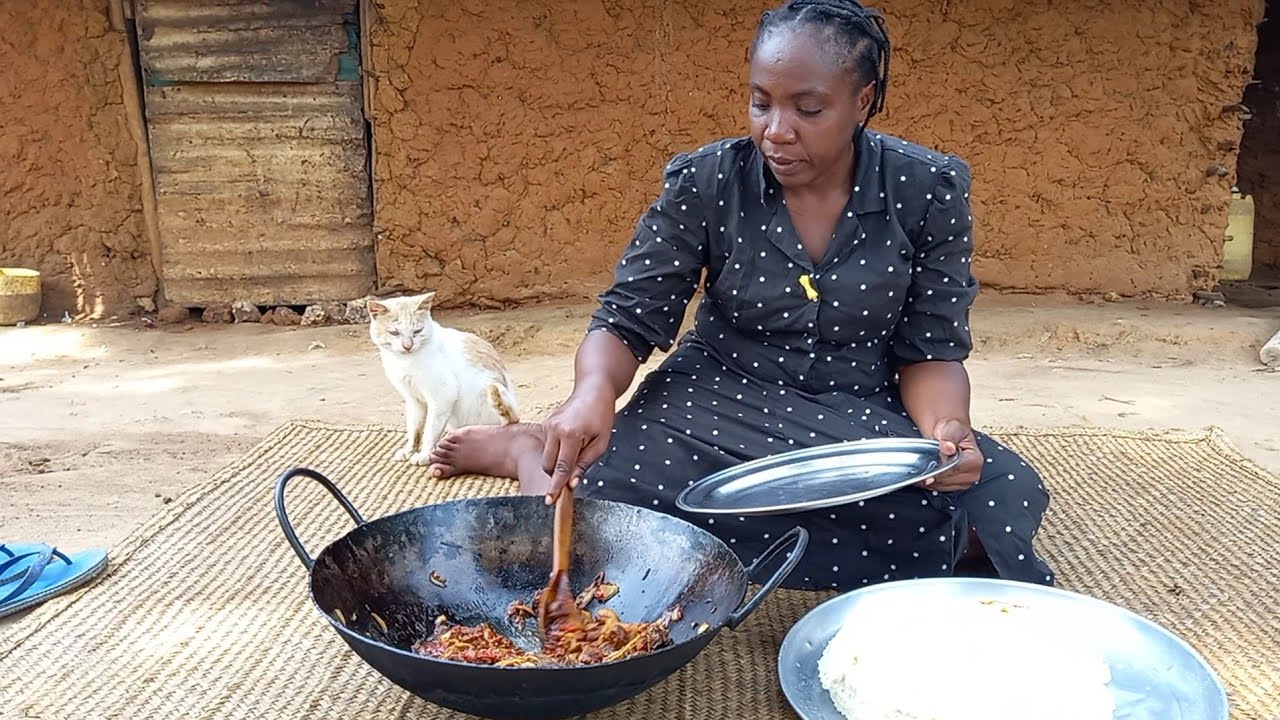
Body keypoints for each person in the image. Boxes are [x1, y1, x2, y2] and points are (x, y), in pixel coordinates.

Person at [427, 0, 1055, 590]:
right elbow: (628, 317)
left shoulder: (926, 189)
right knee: (613, 499)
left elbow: (931, 349)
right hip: (717, 393)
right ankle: (534, 449)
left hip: (856, 403)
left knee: (991, 507)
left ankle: (554, 461)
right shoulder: (708, 180)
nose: (776, 131)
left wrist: (947, 432)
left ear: (862, 101)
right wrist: (590, 395)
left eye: (808, 109)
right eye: (761, 103)